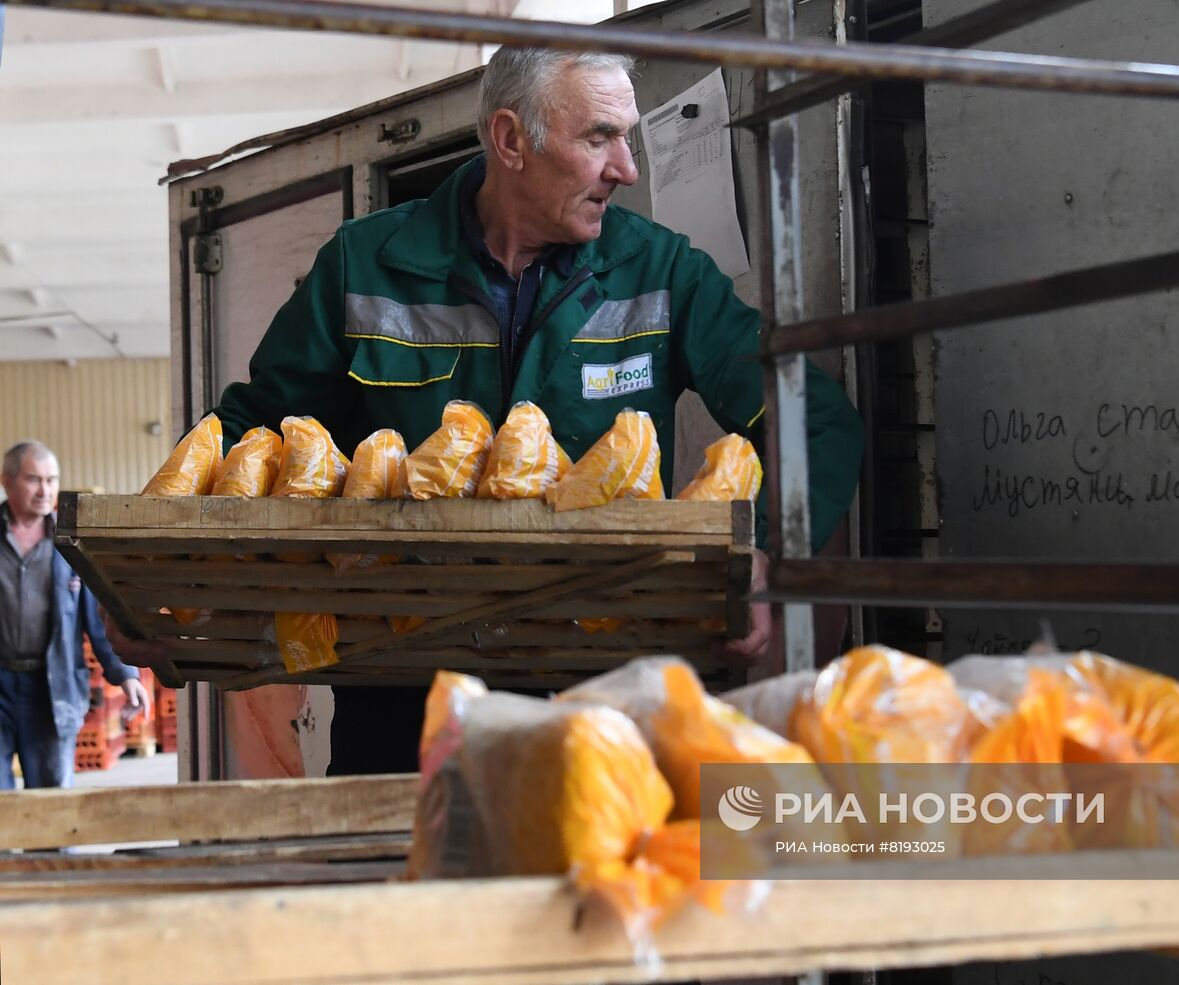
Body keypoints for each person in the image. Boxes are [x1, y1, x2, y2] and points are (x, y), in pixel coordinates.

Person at [118, 47, 863, 775]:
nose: (626, 169)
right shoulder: (364, 266)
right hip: (404, 692)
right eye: (599, 137)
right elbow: (253, 436)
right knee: (407, 891)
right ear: (511, 139)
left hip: (599, 692)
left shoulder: (662, 274)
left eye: (628, 138)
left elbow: (815, 419)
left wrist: (758, 546)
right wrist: (163, 581)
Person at [0, 441, 150, 789]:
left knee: (53, 798)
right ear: (7, 481)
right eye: (34, 479)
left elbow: (100, 617)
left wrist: (126, 675)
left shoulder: (70, 543)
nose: (45, 490)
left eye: (52, 480)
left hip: (52, 685)